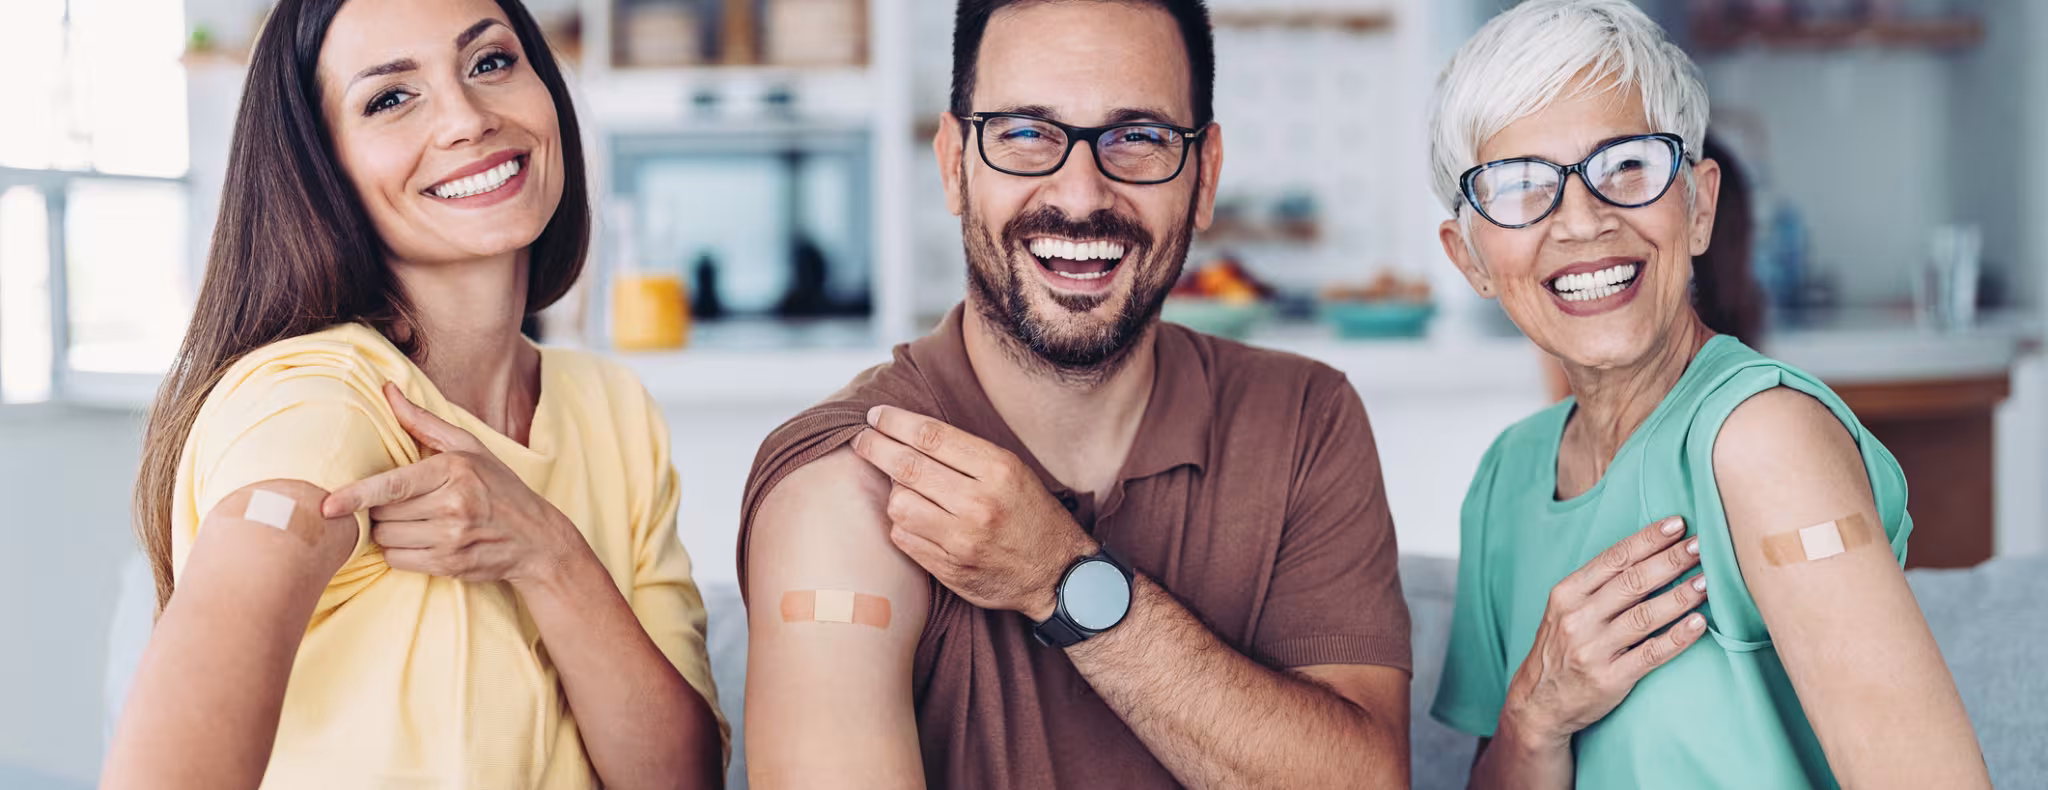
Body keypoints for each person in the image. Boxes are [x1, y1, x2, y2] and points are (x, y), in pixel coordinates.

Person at [738, 1, 1411, 787]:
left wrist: (1060, 578)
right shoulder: (843, 483)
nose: (1083, 195)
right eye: (1026, 133)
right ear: (955, 164)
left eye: (1139, 137)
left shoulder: (1304, 420)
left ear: (1205, 176)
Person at [102, 0, 725, 787]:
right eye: (390, 98)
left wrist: (550, 554)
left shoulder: (612, 408)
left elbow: (678, 778)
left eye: (490, 62)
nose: (467, 119)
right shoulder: (318, 402)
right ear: (322, 168)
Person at [1426, 2, 1989, 788]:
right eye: (1521, 185)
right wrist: (1534, 715)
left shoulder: (1765, 441)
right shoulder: (1505, 479)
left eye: (1626, 165)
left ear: (1698, 206)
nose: (1582, 221)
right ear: (1469, 258)